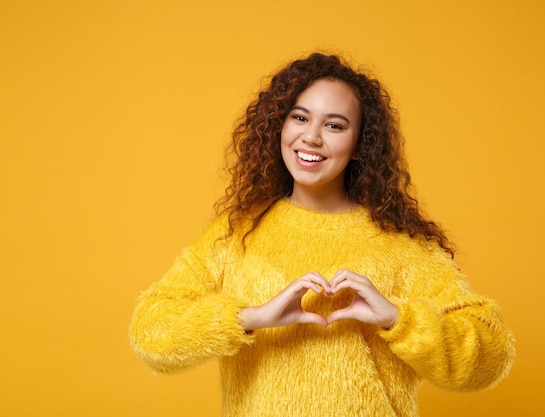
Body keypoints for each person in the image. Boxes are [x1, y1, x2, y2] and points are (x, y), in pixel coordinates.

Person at [129, 52, 515, 417]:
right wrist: (252, 317)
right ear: (278, 126)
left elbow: (489, 358)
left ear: (360, 145)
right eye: (300, 118)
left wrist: (399, 319)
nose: (311, 137)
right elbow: (151, 334)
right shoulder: (238, 233)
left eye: (334, 125)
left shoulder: (402, 244)